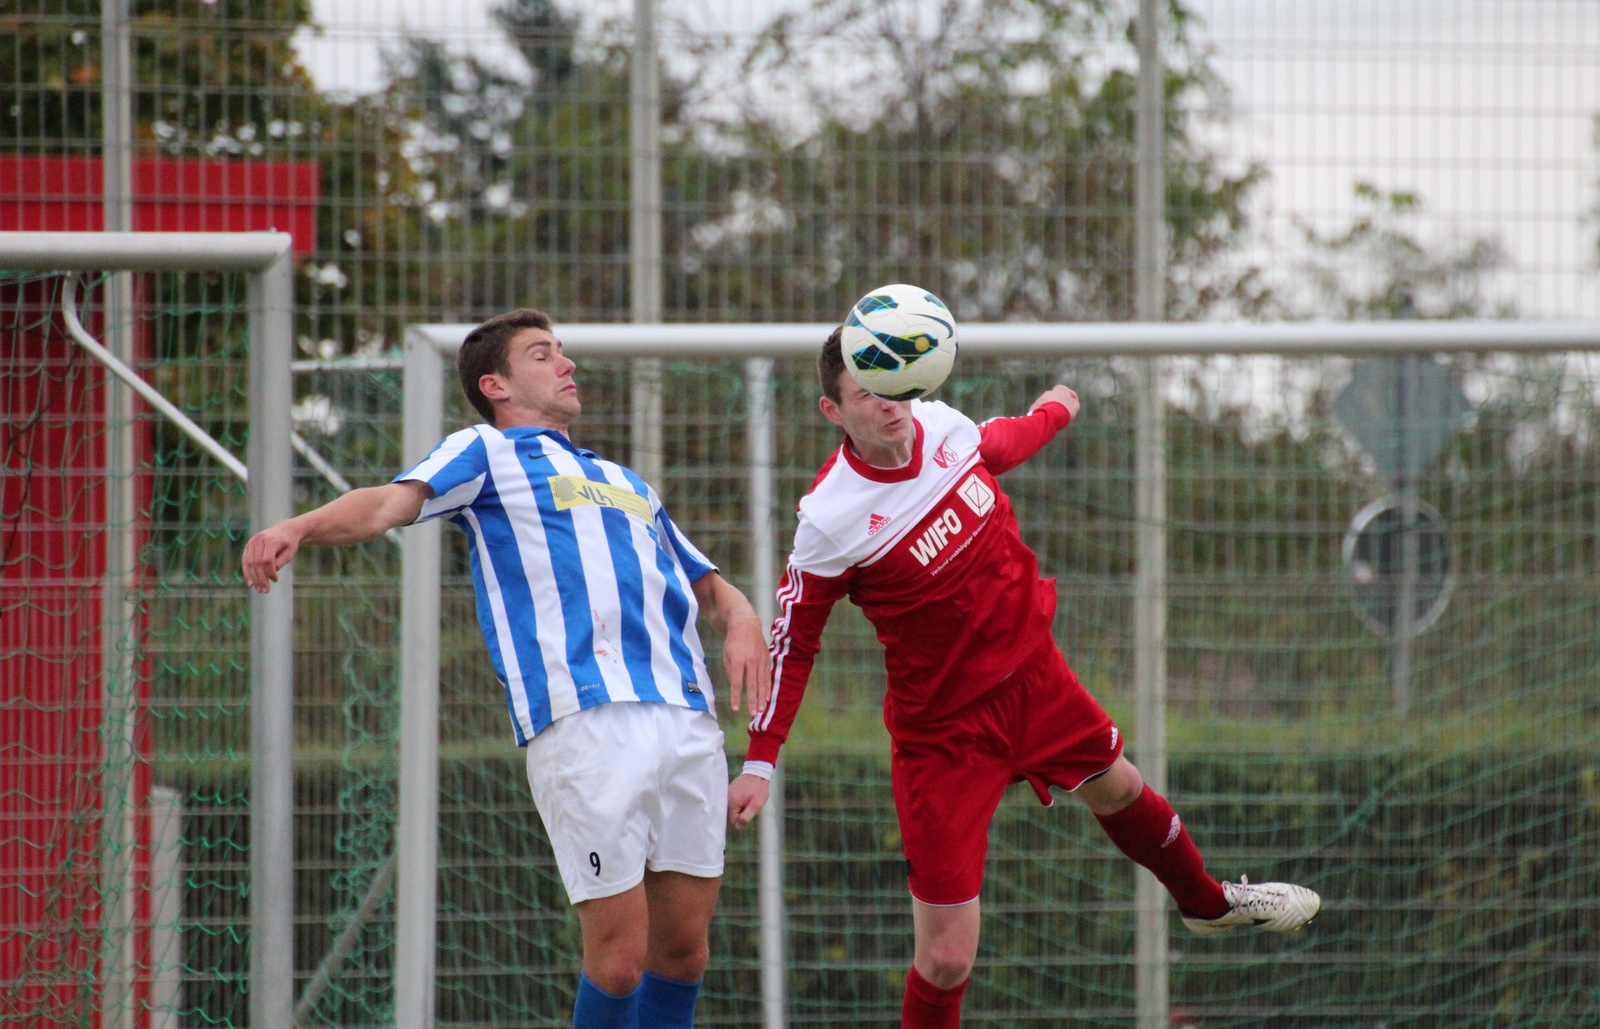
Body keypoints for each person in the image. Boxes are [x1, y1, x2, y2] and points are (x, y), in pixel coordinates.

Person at [727, 326, 1320, 1028]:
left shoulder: (942, 425)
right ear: (834, 412)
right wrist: (761, 758)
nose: (891, 405)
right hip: (943, 736)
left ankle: (1209, 903)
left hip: (1034, 682)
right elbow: (795, 641)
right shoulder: (830, 521)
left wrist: (1055, 411)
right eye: (867, 394)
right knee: (946, 958)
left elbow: (999, 443)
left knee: (1121, 785)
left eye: (895, 385)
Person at [243, 308, 771, 1029]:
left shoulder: (627, 482)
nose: (567, 365)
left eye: (564, 353)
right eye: (544, 354)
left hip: (685, 719)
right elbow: (384, 505)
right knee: (617, 959)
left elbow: (709, 584)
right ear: (495, 383)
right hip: (585, 722)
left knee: (683, 955)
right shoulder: (485, 452)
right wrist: (297, 524)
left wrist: (741, 616)